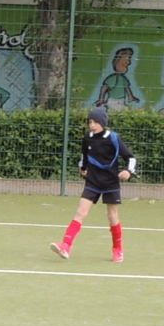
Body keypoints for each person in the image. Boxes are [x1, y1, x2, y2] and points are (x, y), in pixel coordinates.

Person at [51, 106, 132, 262]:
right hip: (93, 181)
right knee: (81, 212)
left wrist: (128, 171)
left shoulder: (113, 138)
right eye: (90, 122)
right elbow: (85, 156)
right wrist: (83, 167)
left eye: (95, 122)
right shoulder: (88, 138)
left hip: (110, 183)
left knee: (112, 216)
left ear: (103, 122)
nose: (92, 125)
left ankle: (118, 249)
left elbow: (130, 157)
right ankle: (65, 246)